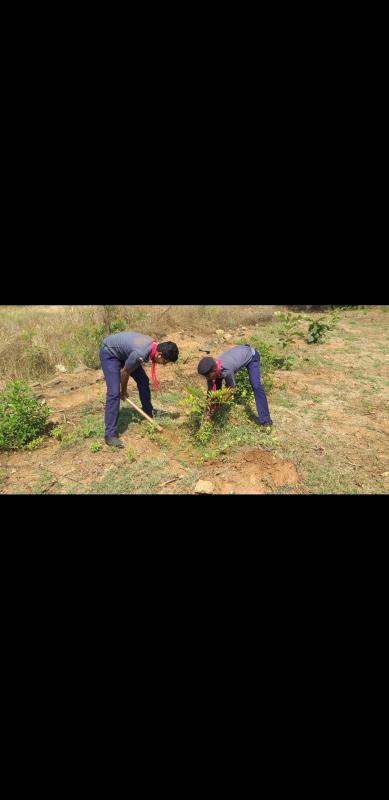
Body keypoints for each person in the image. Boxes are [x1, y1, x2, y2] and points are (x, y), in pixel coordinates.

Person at [100, 332, 179, 447]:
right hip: (110, 353)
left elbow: (129, 366)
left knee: (143, 381)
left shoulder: (154, 346)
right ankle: (109, 435)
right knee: (114, 393)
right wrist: (123, 391)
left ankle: (148, 412)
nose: (164, 365)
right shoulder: (140, 353)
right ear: (159, 355)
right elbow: (125, 372)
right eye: (165, 362)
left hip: (126, 354)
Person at [197, 344, 273, 427]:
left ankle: (266, 420)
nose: (207, 378)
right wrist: (208, 407)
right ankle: (212, 416)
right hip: (239, 353)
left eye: (208, 376)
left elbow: (232, 389)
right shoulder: (211, 368)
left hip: (251, 356)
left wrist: (220, 404)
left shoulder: (227, 370)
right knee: (216, 392)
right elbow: (210, 392)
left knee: (256, 385)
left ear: (214, 371)